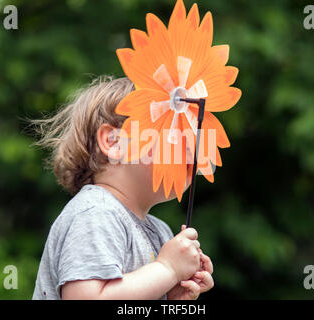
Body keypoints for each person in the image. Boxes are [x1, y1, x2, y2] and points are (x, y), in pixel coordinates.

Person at [31, 75, 213, 300]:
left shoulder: (162, 233)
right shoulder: (95, 213)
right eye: (169, 130)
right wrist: (167, 269)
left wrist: (172, 298)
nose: (186, 147)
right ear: (114, 142)